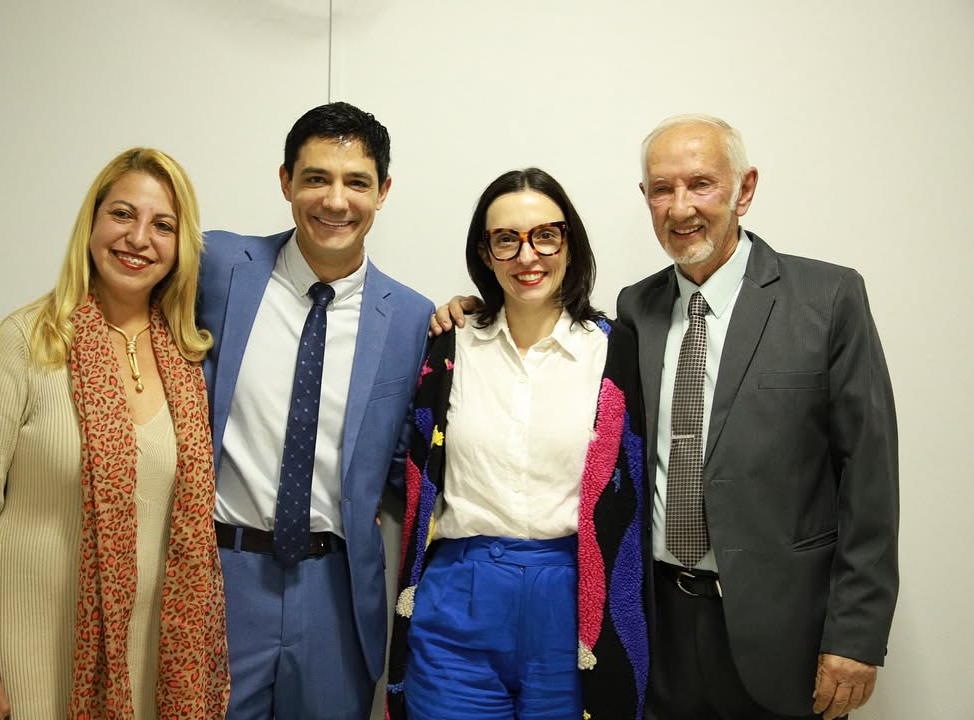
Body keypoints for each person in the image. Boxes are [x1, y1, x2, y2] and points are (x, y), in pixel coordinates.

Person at [435, 115, 899, 720]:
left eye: (700, 183)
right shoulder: (637, 310)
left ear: (744, 189)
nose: (681, 207)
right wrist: (470, 309)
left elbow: (869, 475)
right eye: (662, 189)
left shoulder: (827, 298)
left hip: (784, 627)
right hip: (658, 623)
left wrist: (855, 635)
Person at [0, 148, 229, 720]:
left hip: (153, 662)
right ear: (91, 223)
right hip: (24, 654)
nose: (138, 238)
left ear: (180, 247)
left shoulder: (188, 357)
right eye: (122, 214)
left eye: (162, 225)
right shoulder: (29, 340)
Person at [197, 102, 434, 720]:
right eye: (316, 178)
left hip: (336, 589)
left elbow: (410, 458)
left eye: (356, 182)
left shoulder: (412, 319)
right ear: (286, 182)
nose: (335, 201)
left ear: (383, 191)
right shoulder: (217, 267)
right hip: (219, 576)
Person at [386, 168, 648, 720]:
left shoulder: (616, 352)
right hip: (458, 602)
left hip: (572, 609)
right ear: (485, 253)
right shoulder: (449, 345)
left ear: (569, 243)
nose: (528, 256)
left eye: (545, 235)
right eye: (506, 239)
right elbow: (405, 460)